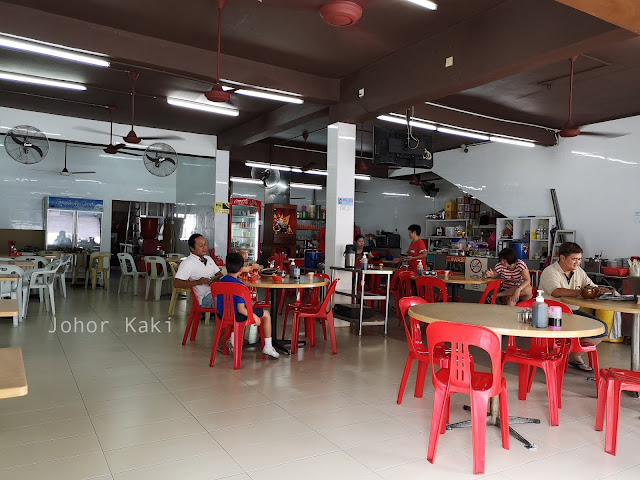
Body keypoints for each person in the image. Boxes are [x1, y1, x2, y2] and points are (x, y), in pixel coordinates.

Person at [539, 241, 612, 372]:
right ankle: (565, 354)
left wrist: (602, 290)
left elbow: (590, 285)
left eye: (579, 259)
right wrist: (580, 292)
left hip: (572, 312)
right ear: (562, 257)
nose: (577, 263)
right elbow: (556, 292)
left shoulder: (578, 271)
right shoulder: (550, 271)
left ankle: (574, 355)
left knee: (602, 329)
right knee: (593, 328)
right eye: (574, 259)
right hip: (552, 314)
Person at [216, 252, 279, 359]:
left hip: (222, 315)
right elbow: (241, 309)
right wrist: (253, 316)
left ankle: (233, 338)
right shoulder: (240, 286)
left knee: (240, 311)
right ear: (241, 269)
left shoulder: (220, 282)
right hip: (238, 315)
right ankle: (268, 346)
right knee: (266, 314)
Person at [173, 234, 223, 308]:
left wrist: (214, 279)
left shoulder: (209, 259)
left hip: (216, 292)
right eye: (200, 245)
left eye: (205, 244)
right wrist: (198, 282)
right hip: (205, 298)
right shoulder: (188, 263)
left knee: (238, 298)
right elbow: (177, 283)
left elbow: (220, 274)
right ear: (192, 248)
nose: (204, 247)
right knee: (230, 302)